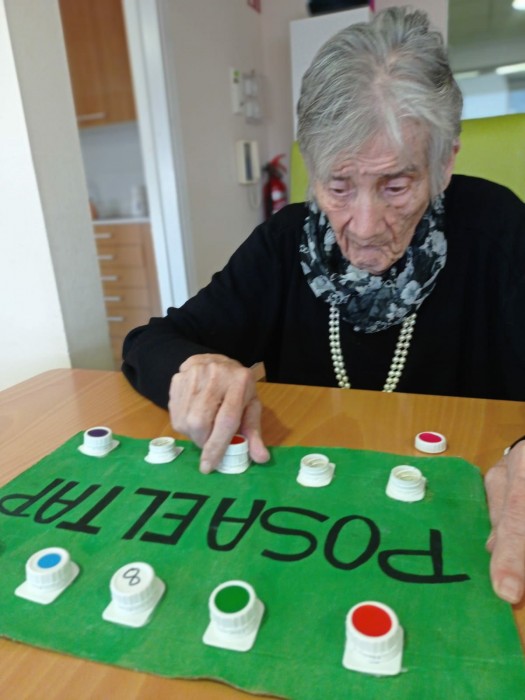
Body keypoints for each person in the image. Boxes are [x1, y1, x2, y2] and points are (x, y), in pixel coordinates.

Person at [122, 7, 525, 605]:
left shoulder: (500, 230)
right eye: (338, 185)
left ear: (444, 164)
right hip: (309, 530)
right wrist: (195, 368)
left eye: (395, 186)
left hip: (450, 534)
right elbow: (150, 342)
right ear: (312, 171)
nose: (364, 225)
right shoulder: (283, 243)